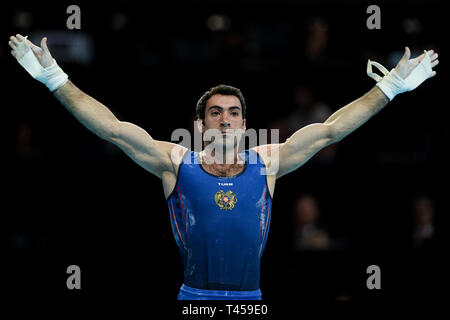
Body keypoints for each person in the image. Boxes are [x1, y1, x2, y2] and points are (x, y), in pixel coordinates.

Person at [8, 33, 439, 300]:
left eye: (234, 113)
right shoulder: (174, 160)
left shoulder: (269, 161)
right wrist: (55, 79)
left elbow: (330, 131)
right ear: (200, 124)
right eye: (216, 113)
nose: (226, 119)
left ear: (245, 124)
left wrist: (390, 87)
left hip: (251, 298)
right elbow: (113, 129)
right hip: (192, 297)